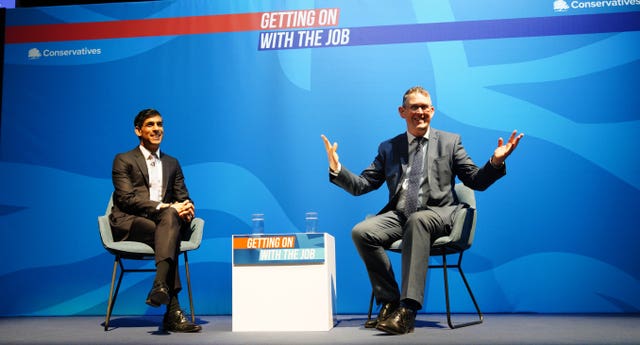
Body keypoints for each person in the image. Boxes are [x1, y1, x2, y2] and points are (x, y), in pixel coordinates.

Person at [321, 86, 523, 335]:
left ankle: (407, 311)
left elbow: (475, 181)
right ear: (402, 112)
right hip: (400, 215)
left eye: (424, 107)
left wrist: (495, 162)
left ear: (432, 111)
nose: (420, 112)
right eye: (414, 107)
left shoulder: (450, 142)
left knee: (417, 220)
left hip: (439, 214)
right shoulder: (389, 148)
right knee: (361, 232)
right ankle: (390, 300)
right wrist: (338, 169)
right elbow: (363, 185)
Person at [109, 108, 201, 333]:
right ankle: (173, 310)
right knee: (169, 227)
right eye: (150, 124)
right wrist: (168, 207)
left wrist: (187, 206)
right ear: (138, 130)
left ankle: (160, 286)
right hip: (130, 221)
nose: (157, 128)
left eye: (160, 124)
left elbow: (183, 197)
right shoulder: (123, 160)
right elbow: (127, 199)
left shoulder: (172, 163)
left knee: (168, 224)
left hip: (164, 224)